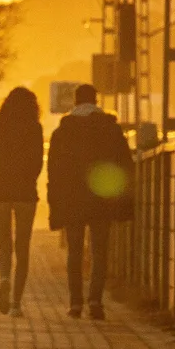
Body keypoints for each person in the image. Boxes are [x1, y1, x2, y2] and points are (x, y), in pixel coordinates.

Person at [46, 84, 133, 320]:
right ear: (96, 101)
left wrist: (54, 204)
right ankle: (95, 301)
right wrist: (123, 199)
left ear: (74, 102)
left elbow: (53, 172)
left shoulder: (62, 133)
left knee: (74, 252)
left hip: (72, 200)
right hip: (101, 198)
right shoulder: (111, 130)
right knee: (100, 251)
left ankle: (75, 303)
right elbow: (125, 164)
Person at [0, 86, 43, 315]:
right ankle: (16, 303)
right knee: (23, 246)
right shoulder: (34, 128)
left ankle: (4, 277)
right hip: (25, 193)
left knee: (3, 246)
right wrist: (28, 180)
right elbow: (38, 162)